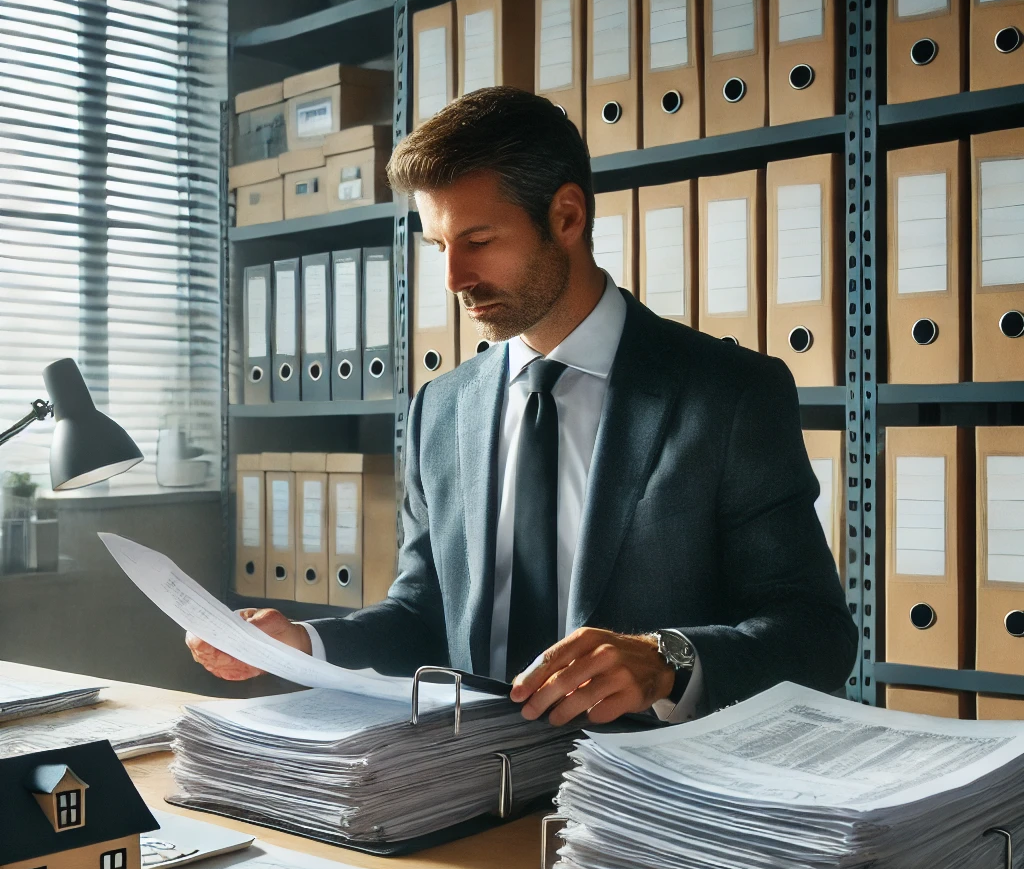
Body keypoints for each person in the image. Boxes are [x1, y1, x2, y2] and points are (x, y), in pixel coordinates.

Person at [189, 86, 857, 726]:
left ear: (566, 216)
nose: (454, 279)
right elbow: (425, 612)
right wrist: (303, 642)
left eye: (478, 241)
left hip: (657, 797)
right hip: (474, 783)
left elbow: (817, 634)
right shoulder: (441, 410)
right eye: (439, 248)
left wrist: (668, 660)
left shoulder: (730, 394)